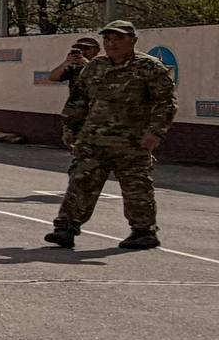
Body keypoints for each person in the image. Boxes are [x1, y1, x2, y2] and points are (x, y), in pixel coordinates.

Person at [46, 19, 176, 251]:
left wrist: (155, 132)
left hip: (132, 142)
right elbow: (78, 100)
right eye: (108, 39)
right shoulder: (95, 67)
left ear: (133, 40)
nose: (112, 43)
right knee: (81, 182)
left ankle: (143, 231)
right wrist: (70, 129)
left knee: (136, 187)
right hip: (93, 140)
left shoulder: (149, 67)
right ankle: (65, 229)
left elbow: (165, 103)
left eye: (118, 39)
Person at [51, 35, 99, 149]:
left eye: (87, 48)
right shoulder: (74, 68)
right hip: (75, 114)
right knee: (72, 145)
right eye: (80, 48)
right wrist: (66, 63)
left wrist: (86, 63)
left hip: (96, 114)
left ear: (96, 50)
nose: (83, 51)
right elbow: (53, 77)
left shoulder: (103, 64)